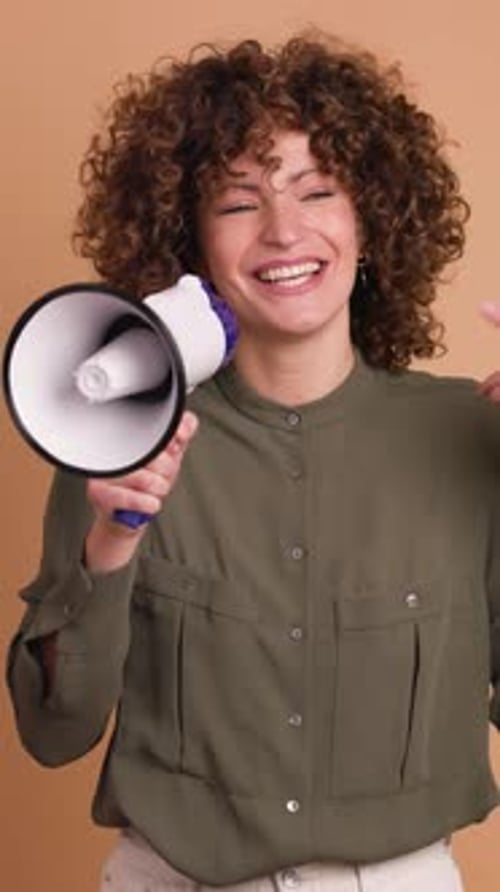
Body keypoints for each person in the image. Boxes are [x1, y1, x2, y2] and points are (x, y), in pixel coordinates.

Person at [6, 31, 500, 892]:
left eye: (319, 191)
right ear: (188, 240)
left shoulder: (470, 434)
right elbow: (53, 734)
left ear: (373, 219)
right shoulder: (117, 444)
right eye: (238, 203)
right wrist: (109, 549)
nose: (283, 230)